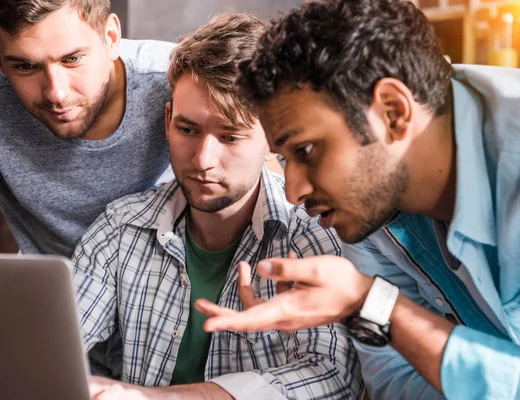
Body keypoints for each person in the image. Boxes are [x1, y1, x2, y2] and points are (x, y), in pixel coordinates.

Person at [195, 1, 520, 399]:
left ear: (393, 112)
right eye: (284, 159)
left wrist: (373, 303)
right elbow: (394, 381)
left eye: (308, 150)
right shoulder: (370, 206)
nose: (294, 192)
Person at [73, 13, 363, 400]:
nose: (203, 159)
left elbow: (334, 376)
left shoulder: (310, 234)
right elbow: (49, 348)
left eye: (230, 136)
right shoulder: (121, 227)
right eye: (187, 130)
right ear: (167, 121)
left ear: (272, 138)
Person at [0, 0, 175, 257]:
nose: (56, 94)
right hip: (50, 289)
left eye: (72, 59)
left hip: (164, 287)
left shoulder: (176, 80)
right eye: (25, 66)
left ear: (111, 37)